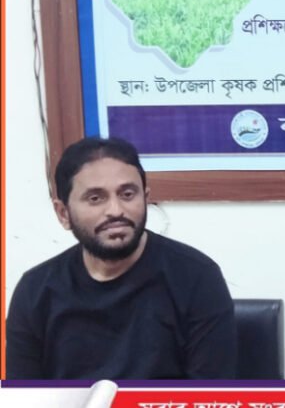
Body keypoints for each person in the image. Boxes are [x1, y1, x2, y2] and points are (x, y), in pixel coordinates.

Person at [5, 137, 237, 379]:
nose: (116, 210)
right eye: (95, 198)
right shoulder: (34, 291)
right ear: (63, 213)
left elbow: (211, 393)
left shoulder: (197, 278)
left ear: (145, 198)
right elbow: (24, 394)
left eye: (127, 194)